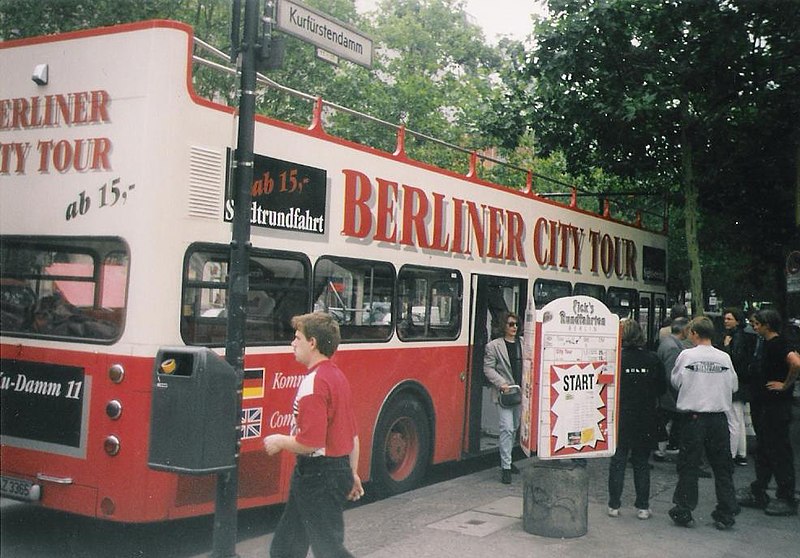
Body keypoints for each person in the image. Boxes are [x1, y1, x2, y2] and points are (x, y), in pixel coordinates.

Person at [263, 312, 363, 558]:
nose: (293, 343)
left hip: (318, 475)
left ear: (313, 343)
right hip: (324, 473)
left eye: (298, 338)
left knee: (328, 549)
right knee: (286, 546)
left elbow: (310, 443)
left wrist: (278, 441)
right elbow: (353, 436)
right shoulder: (337, 377)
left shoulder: (314, 383)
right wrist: (351, 473)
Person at [668, 316, 739, 530]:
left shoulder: (687, 355)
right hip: (718, 417)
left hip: (694, 416)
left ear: (695, 334)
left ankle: (684, 508)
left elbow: (676, 381)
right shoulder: (724, 358)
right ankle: (726, 511)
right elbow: (733, 386)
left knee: (689, 464)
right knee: (722, 466)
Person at [736, 308, 800, 517]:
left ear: (767, 325)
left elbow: (795, 362)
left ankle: (786, 495)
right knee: (764, 448)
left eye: (757, 324)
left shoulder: (778, 344)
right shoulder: (766, 343)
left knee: (778, 449)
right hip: (766, 404)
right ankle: (760, 488)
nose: (754, 327)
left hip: (775, 406)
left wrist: (785, 384)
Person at [607, 319, 665, 520]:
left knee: (618, 460)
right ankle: (642, 507)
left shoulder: (616, 359)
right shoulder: (653, 359)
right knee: (641, 462)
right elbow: (662, 389)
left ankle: (614, 505)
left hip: (622, 415)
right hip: (645, 416)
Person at [483, 311, 523, 484]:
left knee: (514, 427)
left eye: (516, 324)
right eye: (510, 324)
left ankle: (509, 460)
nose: (514, 327)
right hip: (504, 394)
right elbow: (488, 369)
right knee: (506, 428)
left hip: (520, 393)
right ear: (503, 326)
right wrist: (501, 383)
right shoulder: (493, 346)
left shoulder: (523, 343)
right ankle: (505, 467)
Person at [721, 307, 756, 466]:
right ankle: (741, 453)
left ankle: (732, 453)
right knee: (739, 419)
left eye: (729, 319)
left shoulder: (735, 337)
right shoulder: (744, 335)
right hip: (743, 382)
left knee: (733, 419)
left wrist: (726, 347)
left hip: (735, 383)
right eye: (725, 318)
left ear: (737, 320)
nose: (725, 321)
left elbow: (734, 360)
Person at [654, 317, 690, 460]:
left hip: (665, 394)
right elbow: (671, 374)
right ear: (684, 330)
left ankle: (662, 448)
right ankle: (662, 449)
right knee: (668, 421)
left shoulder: (667, 342)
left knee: (665, 421)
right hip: (669, 395)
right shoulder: (674, 348)